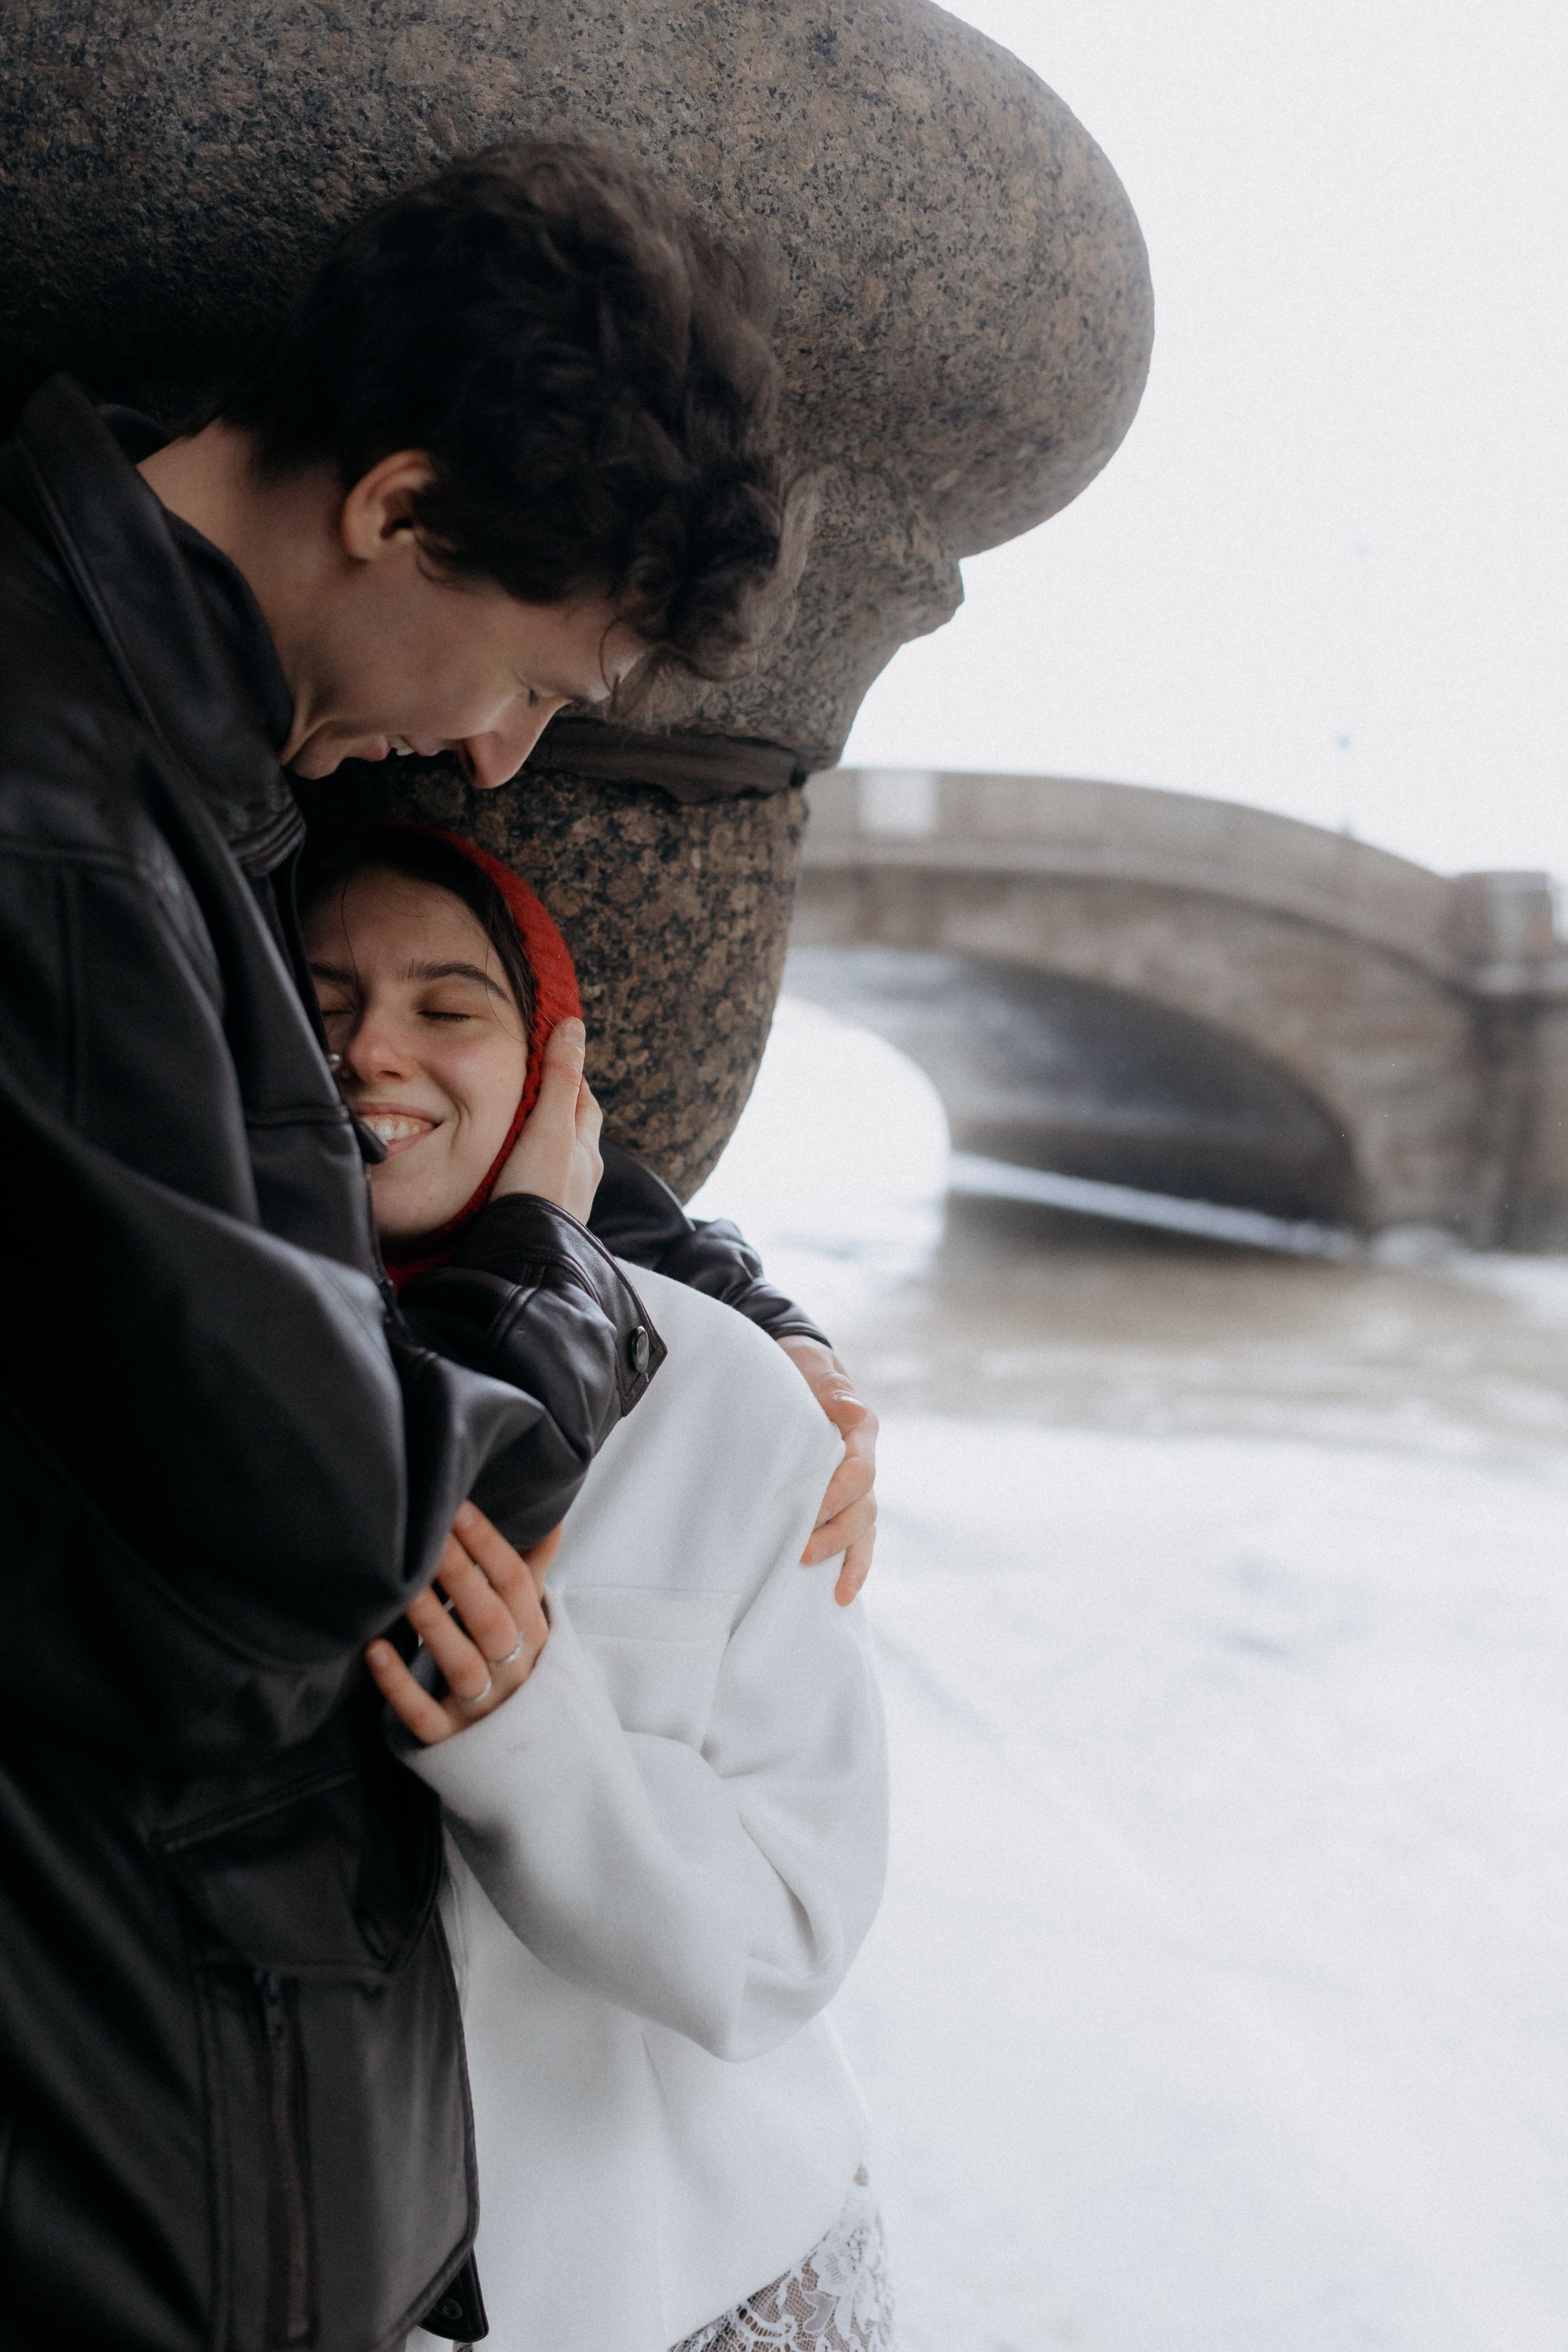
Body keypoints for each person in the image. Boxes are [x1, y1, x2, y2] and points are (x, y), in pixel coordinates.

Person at [0, 140, 873, 2350]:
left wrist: (695, 1282)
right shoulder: (64, 812)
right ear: (393, 511)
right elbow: (306, 1544)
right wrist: (563, 1298)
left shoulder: (169, 767)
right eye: (525, 680)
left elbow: (281, 1118)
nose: (494, 759)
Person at [297, 821, 894, 2352]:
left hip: (676, 2273)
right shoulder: (182, 1379)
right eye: (318, 998)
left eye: (448, 1008)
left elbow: (790, 1928)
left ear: (554, 1066)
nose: (374, 1051)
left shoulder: (732, 1402)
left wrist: (530, 1737)